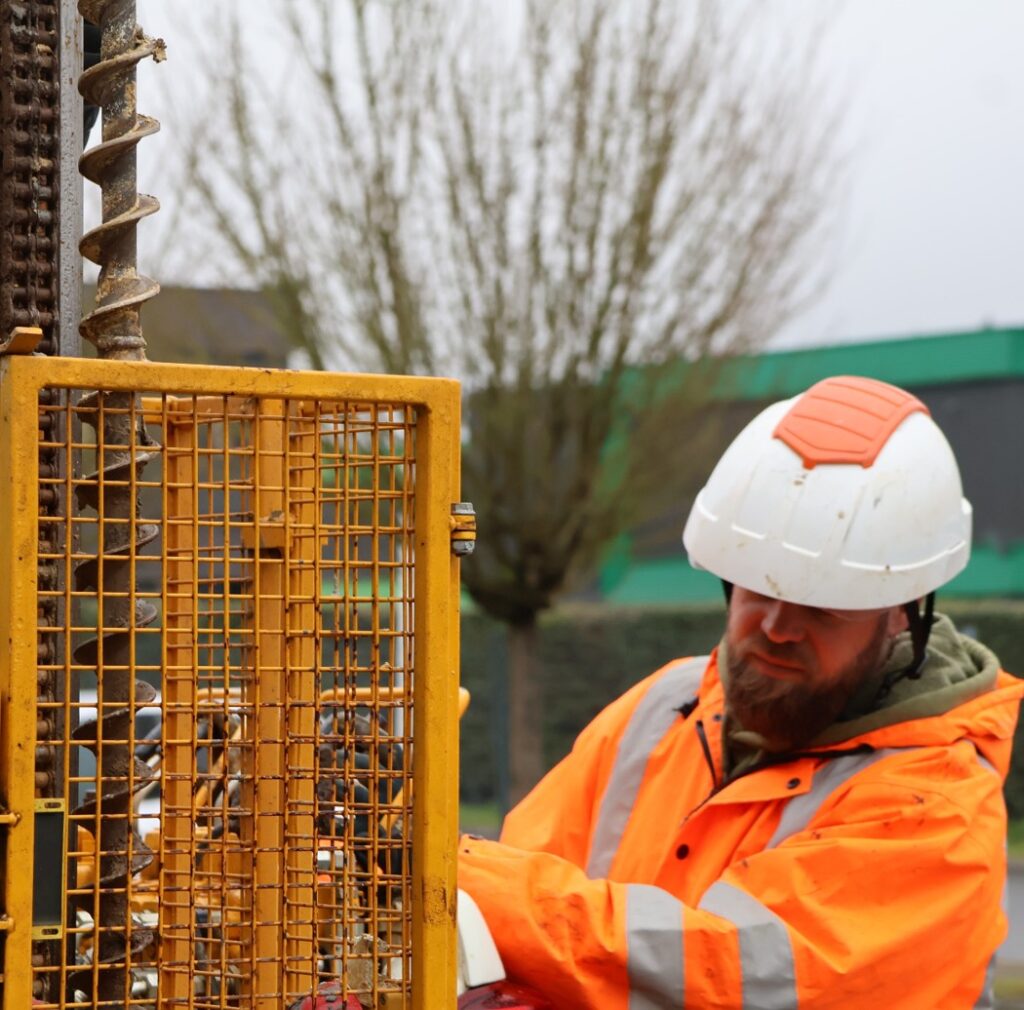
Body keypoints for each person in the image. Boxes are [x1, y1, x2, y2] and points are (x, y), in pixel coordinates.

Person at [458, 375, 1023, 1009]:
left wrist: (464, 879)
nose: (778, 628)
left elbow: (729, 978)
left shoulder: (936, 808)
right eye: (758, 589)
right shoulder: (663, 707)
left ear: (903, 610)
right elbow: (509, 900)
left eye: (821, 606)